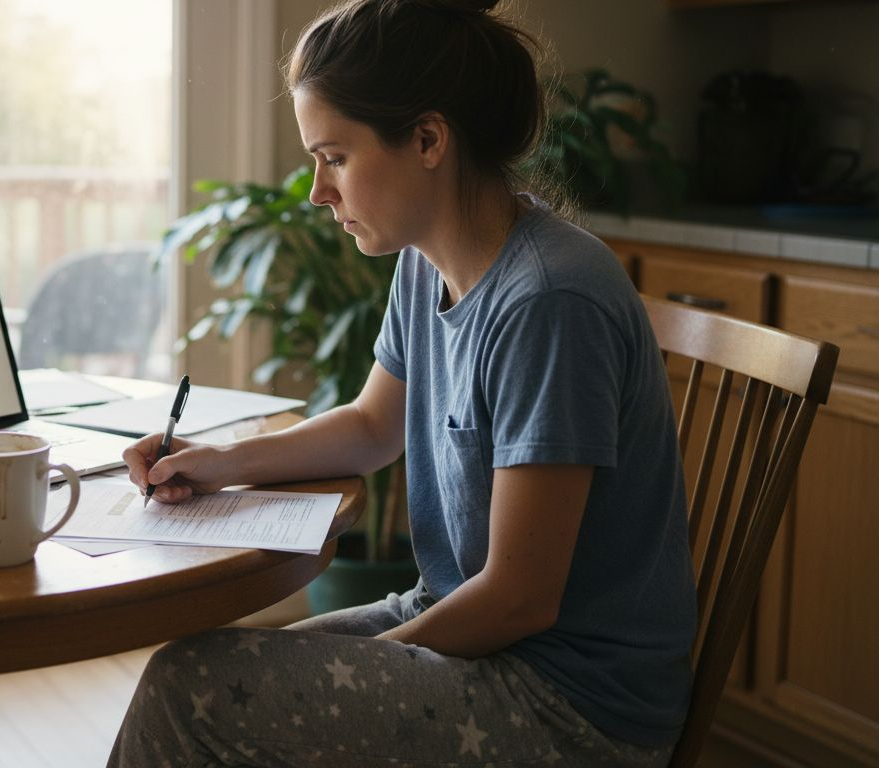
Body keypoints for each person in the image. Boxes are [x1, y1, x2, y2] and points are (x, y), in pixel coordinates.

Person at [107, 0, 697, 765]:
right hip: (467, 627)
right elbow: (372, 426)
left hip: (571, 705)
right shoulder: (427, 262)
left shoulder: (550, 300)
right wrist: (216, 461)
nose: (318, 190)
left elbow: (521, 596)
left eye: (336, 157)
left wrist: (373, 660)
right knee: (192, 674)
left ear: (427, 140)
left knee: (191, 692)